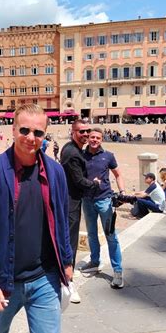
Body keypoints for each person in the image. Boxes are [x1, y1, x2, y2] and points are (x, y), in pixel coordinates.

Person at [0, 104, 72, 333]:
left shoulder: (55, 172)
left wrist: (66, 261)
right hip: (4, 281)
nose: (30, 138)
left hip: (46, 277)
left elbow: (62, 219)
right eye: (24, 130)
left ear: (45, 135)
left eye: (38, 132)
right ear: (13, 130)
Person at [80, 128, 126, 289]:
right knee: (92, 234)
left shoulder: (108, 156)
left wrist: (122, 192)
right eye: (92, 137)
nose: (94, 140)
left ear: (101, 139)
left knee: (111, 236)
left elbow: (118, 174)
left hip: (104, 200)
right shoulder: (81, 155)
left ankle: (118, 271)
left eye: (97, 138)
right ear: (88, 138)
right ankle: (94, 261)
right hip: (87, 200)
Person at [60, 119, 99, 303]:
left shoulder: (72, 149)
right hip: (70, 202)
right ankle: (68, 282)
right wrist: (94, 183)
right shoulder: (72, 153)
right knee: (70, 240)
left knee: (69, 239)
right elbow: (78, 181)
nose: (85, 134)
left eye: (87, 131)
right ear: (73, 132)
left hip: (71, 199)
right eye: (81, 131)